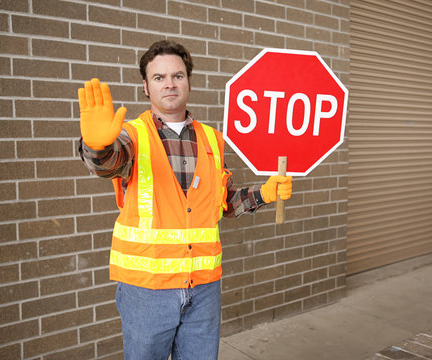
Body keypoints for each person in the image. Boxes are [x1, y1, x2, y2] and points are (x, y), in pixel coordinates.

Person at [78, 40, 292, 360]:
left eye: (177, 75)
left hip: (203, 289)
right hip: (147, 290)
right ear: (146, 88)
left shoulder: (211, 139)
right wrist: (96, 147)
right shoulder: (130, 136)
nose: (169, 84)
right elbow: (107, 163)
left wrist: (264, 193)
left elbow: (221, 202)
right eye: (159, 77)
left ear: (189, 81)